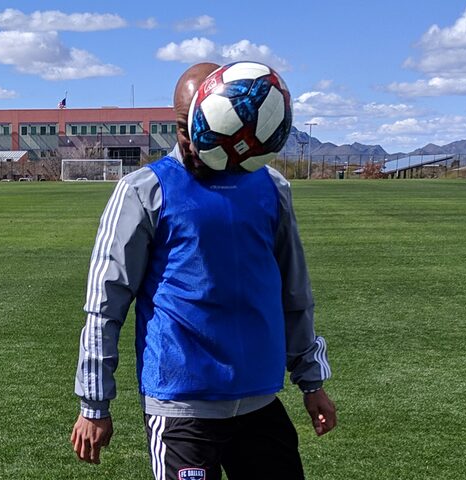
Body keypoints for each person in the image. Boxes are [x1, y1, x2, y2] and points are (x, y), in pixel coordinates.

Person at [70, 62, 336, 480]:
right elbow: (104, 305)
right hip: (181, 409)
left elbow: (293, 292)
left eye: (207, 127)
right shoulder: (143, 191)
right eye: (183, 127)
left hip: (260, 403)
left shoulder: (272, 188)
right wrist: (94, 404)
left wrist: (311, 381)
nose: (195, 141)